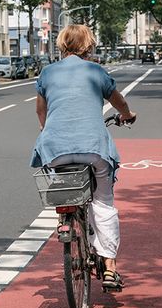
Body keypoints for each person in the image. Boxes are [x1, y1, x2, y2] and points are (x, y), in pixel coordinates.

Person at [30, 24, 136, 289]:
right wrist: (126, 115)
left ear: (62, 45)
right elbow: (118, 101)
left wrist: (47, 132)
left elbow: (40, 112)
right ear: (88, 46)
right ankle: (110, 266)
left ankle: (65, 218)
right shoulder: (96, 71)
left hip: (55, 148)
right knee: (103, 202)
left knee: (66, 187)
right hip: (93, 148)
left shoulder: (47, 72)